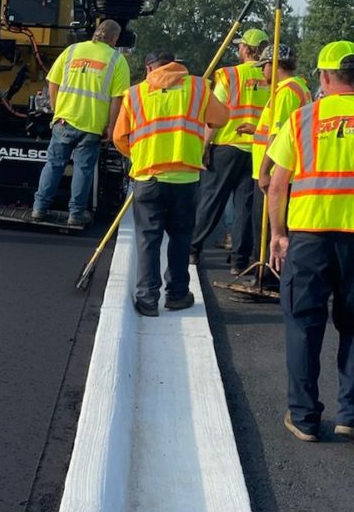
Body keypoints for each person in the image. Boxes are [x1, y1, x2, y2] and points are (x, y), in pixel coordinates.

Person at [266, 40, 354, 442]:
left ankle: (304, 418)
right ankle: (349, 416)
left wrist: (278, 235)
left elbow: (277, 185)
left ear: (323, 76)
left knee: (303, 325)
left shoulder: (303, 118)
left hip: (308, 239)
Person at [114, 50, 229, 316]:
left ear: (148, 69)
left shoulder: (135, 94)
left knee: (148, 238)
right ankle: (177, 295)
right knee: (180, 237)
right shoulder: (198, 87)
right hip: (185, 177)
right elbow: (221, 118)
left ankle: (147, 299)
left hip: (148, 176)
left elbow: (121, 137)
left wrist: (140, 154)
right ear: (177, 66)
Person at [31, 19, 130, 226]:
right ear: (114, 38)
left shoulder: (72, 50)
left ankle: (39, 208)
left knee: (54, 164)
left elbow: (53, 82)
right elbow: (117, 99)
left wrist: (58, 110)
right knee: (83, 169)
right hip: (92, 125)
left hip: (65, 120)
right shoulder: (116, 60)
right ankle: (75, 214)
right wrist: (111, 127)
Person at [189, 28, 270, 273]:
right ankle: (239, 261)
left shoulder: (229, 75)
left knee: (212, 201)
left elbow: (216, 114)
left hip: (226, 145)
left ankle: (193, 249)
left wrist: (204, 146)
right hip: (256, 149)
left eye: (240, 46)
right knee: (245, 208)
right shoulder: (271, 78)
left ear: (246, 49)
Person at [236, 43, 310, 289]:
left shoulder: (287, 92)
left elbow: (278, 135)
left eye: (263, 66)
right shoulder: (293, 89)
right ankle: (268, 277)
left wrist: (266, 170)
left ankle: (268, 279)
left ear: (273, 65)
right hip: (277, 172)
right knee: (266, 227)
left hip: (275, 173)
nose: (261, 72)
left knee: (267, 230)